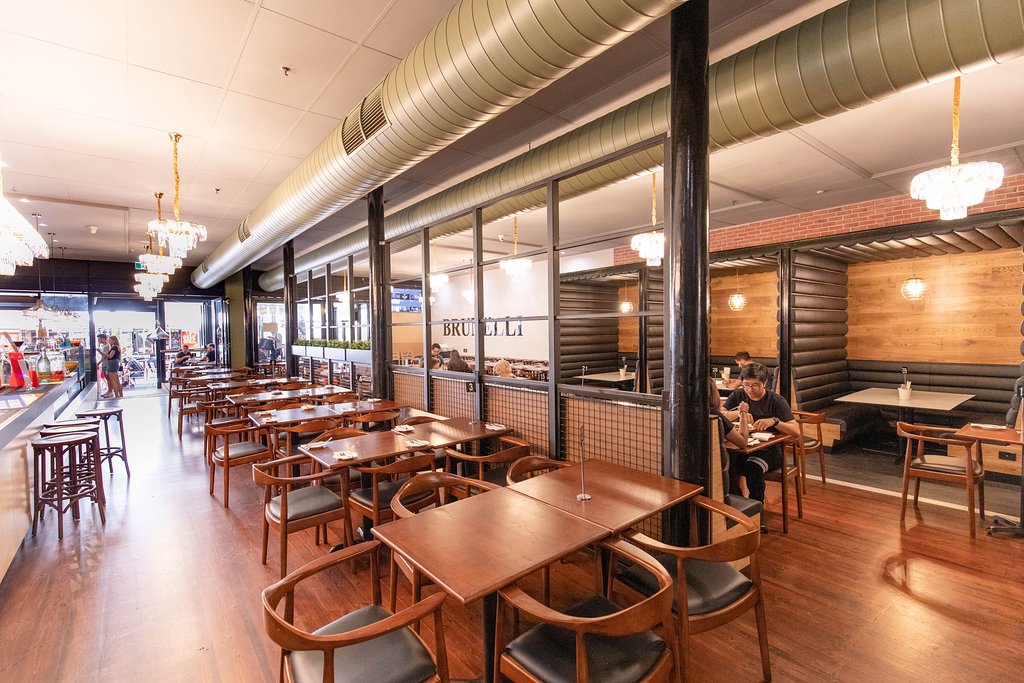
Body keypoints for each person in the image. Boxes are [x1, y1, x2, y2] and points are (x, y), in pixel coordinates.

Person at [721, 362, 800, 503]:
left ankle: (757, 509)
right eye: (746, 385)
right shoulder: (738, 394)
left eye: (755, 385)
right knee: (727, 467)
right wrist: (739, 413)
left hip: (771, 451)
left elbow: (796, 431)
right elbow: (721, 414)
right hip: (744, 448)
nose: (750, 389)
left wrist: (775, 421)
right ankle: (738, 505)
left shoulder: (776, 400)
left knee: (753, 468)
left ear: (765, 382)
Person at [709, 378, 750, 497]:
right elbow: (742, 442)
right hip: (715, 470)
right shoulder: (714, 415)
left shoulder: (683, 410)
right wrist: (743, 414)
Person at [96, 333, 110, 398]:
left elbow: (105, 356)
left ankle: (110, 392)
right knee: (107, 378)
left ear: (103, 339)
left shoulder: (107, 346)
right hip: (105, 363)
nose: (98, 340)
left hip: (106, 364)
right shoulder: (104, 346)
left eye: (99, 339)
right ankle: (109, 391)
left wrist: (98, 363)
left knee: (108, 379)